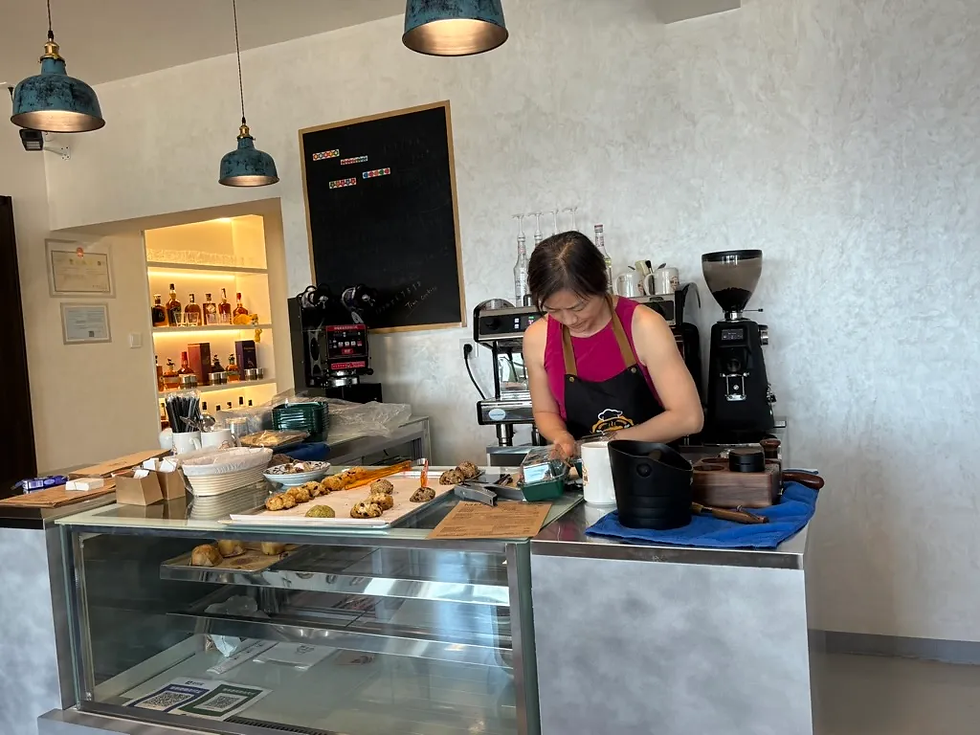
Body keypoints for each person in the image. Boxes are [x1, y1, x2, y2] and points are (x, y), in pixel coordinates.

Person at [523, 231, 703, 458]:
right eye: (553, 310)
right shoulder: (537, 337)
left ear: (601, 285)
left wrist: (606, 443)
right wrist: (560, 436)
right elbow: (544, 410)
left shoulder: (645, 326)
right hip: (583, 476)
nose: (569, 320)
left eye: (578, 307)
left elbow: (689, 418)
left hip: (651, 472)